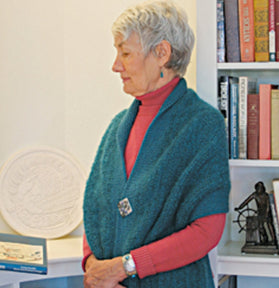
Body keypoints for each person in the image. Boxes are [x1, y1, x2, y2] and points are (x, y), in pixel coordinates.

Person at [82, 1, 231, 287]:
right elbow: (94, 209)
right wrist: (95, 269)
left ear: (161, 53)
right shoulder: (117, 127)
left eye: (125, 53)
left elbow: (206, 231)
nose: (115, 65)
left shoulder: (203, 125)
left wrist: (123, 267)